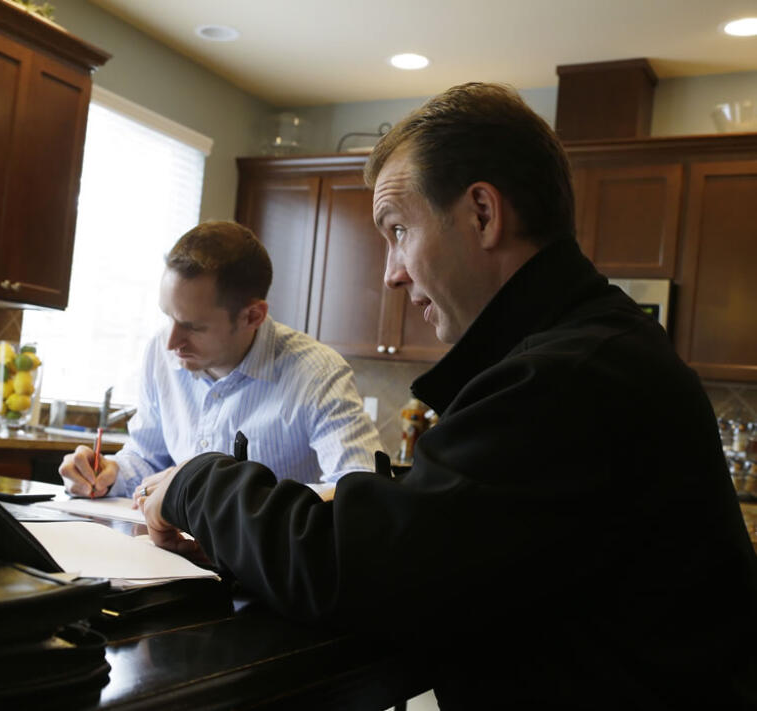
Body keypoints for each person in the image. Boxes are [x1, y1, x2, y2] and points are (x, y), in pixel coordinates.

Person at [139, 84, 757, 709]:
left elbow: (365, 573)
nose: (391, 271)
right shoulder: (586, 350)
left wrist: (197, 483)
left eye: (399, 229)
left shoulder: (568, 376)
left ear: (483, 214)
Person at [59, 221, 383, 500]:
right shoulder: (161, 350)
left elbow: (361, 489)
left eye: (193, 327)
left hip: (267, 566)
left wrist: (231, 502)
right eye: (167, 317)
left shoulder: (318, 373)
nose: (172, 342)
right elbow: (148, 456)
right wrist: (109, 473)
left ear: (252, 316)